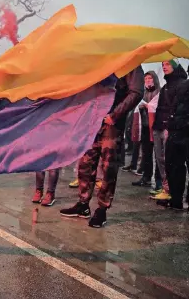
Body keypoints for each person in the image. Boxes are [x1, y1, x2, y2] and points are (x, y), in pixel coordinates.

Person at [60, 66, 144, 228]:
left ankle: (102, 209)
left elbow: (136, 92)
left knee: (108, 168)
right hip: (92, 121)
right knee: (85, 163)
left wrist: (115, 115)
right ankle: (83, 205)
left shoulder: (131, 61)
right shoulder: (104, 58)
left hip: (112, 123)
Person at [151, 60, 188, 202]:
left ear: (175, 65)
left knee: (174, 163)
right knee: (163, 161)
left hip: (174, 129)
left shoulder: (182, 84)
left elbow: (177, 109)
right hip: (161, 127)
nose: (164, 67)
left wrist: (169, 126)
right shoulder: (166, 86)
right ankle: (168, 189)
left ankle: (172, 193)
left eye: (167, 64)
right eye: (162, 65)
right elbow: (161, 108)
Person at [130, 71, 161, 187]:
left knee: (158, 155)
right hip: (144, 126)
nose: (147, 80)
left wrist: (149, 107)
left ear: (155, 79)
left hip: (156, 127)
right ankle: (146, 177)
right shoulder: (144, 93)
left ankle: (159, 181)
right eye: (146, 79)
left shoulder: (159, 92)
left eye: (150, 78)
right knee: (146, 153)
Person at [164, 70, 189, 210]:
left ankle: (176, 200)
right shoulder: (182, 85)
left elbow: (173, 108)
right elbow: (173, 108)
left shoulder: (180, 86)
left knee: (174, 166)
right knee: (174, 166)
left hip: (178, 130)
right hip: (177, 130)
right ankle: (176, 200)